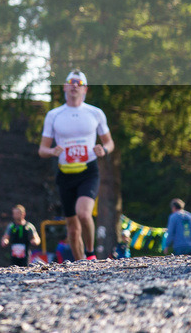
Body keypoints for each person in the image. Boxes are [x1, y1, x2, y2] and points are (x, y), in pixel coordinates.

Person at [38, 69, 114, 261]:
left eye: (79, 83)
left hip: (88, 171)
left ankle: (90, 254)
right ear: (64, 87)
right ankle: (81, 265)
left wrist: (103, 150)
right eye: (71, 82)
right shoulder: (54, 115)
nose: (74, 86)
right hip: (65, 174)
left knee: (83, 213)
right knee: (72, 229)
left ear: (85, 89)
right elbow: (42, 149)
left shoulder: (95, 113)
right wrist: (52, 151)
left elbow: (109, 143)